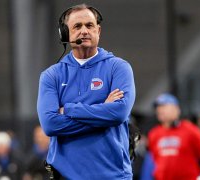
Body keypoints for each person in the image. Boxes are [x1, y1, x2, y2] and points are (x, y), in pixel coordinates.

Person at [37, 3, 135, 180]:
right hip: (65, 176)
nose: (84, 31)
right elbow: (50, 124)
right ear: (66, 34)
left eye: (89, 25)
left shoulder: (118, 68)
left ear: (98, 31)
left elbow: (118, 113)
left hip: (113, 176)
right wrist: (103, 111)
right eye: (77, 26)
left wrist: (68, 109)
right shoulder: (51, 76)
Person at [147, 93, 200, 180]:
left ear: (176, 109)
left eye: (164, 106)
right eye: (158, 107)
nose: (160, 110)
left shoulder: (191, 130)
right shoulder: (154, 133)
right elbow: (155, 160)